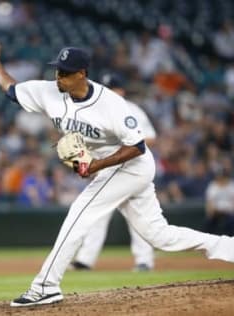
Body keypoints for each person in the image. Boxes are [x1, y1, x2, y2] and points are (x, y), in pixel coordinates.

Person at [0, 43, 234, 307]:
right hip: (113, 169)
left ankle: (45, 286)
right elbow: (12, 89)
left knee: (79, 214)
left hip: (131, 165)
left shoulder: (112, 105)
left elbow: (137, 147)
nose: (59, 77)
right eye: (57, 70)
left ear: (82, 74)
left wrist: (95, 166)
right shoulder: (48, 90)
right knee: (159, 236)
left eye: (66, 73)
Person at [71, 73, 157, 272]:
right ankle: (85, 260)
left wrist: (128, 144)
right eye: (106, 88)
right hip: (107, 170)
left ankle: (144, 261)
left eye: (113, 88)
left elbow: (151, 138)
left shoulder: (132, 110)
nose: (109, 91)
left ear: (122, 91)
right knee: (96, 215)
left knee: (138, 216)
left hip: (132, 169)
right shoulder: (95, 112)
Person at [205, 165, 234, 236]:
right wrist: (212, 211)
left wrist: (226, 210)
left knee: (230, 222)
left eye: (222, 176)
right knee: (208, 224)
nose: (220, 178)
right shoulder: (212, 185)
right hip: (216, 213)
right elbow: (209, 204)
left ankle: (229, 242)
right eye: (219, 176)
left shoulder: (233, 185)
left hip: (229, 213)